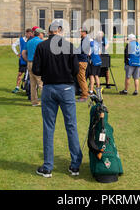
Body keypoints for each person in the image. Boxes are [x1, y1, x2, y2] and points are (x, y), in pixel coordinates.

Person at [32, 20, 82, 178]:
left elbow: (36, 69)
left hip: (49, 88)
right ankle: (75, 166)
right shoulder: (69, 46)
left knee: (48, 127)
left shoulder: (42, 46)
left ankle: (48, 167)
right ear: (59, 30)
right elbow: (75, 70)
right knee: (71, 126)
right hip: (66, 88)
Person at [22, 28, 45, 106]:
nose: (43, 35)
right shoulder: (41, 42)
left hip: (29, 63)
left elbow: (23, 53)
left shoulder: (29, 41)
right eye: (43, 34)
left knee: (33, 84)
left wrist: (27, 60)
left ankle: (34, 101)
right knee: (41, 83)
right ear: (39, 34)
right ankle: (45, 102)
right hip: (37, 64)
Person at [11, 28, 33, 93]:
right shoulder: (20, 40)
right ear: (26, 33)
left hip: (30, 59)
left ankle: (26, 87)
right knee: (20, 73)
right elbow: (13, 46)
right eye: (28, 33)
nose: (29, 35)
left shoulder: (32, 40)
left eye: (30, 33)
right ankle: (17, 87)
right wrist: (17, 53)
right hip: (22, 60)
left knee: (29, 74)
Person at [76, 27, 90, 102]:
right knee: (81, 78)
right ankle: (84, 93)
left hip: (82, 61)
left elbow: (81, 50)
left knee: (82, 78)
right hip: (82, 60)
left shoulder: (86, 40)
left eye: (80, 32)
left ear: (84, 32)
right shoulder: (84, 39)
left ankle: (85, 95)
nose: (79, 33)